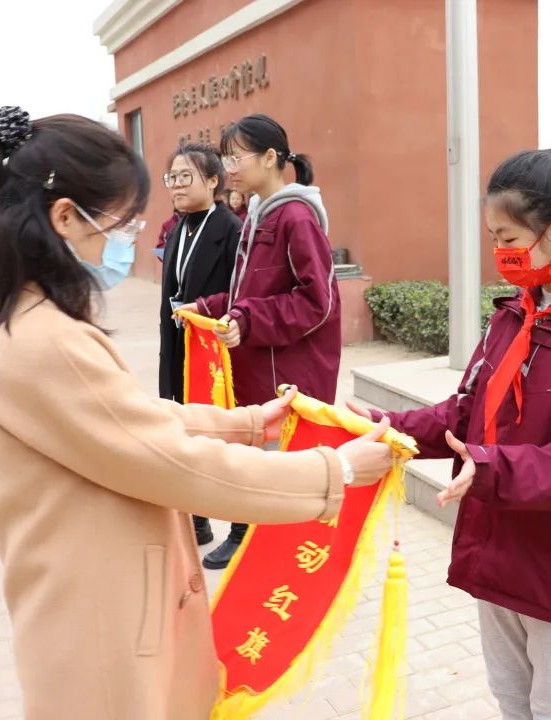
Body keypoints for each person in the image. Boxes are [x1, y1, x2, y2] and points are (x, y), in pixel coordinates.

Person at [0, 106, 393, 720]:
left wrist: (247, 423)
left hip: (105, 613)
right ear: (65, 218)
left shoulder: (35, 324)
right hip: (104, 642)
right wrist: (335, 472)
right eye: (120, 222)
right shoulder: (47, 341)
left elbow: (128, 422)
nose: (128, 239)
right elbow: (172, 462)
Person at [349, 141, 551, 720]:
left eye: (509, 238)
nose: (499, 252)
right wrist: (385, 427)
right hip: (499, 544)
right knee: (513, 700)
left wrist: (490, 467)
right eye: (493, 238)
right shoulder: (514, 315)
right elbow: (463, 414)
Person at [176, 114, 342, 570]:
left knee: (278, 466)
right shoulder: (256, 214)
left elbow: (318, 302)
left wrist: (247, 320)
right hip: (256, 368)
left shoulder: (296, 217)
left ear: (270, 158)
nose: (228, 167)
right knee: (258, 460)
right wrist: (207, 307)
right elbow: (246, 293)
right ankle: (252, 539)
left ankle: (266, 547)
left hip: (286, 373)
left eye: (236, 158)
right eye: (225, 158)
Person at [159, 143, 243, 553]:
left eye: (185, 176)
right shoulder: (179, 228)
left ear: (212, 181)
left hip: (219, 353)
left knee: (228, 439)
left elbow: (242, 294)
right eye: (172, 177)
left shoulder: (231, 230)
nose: (176, 185)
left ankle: (241, 528)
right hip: (181, 347)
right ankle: (199, 521)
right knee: (188, 433)